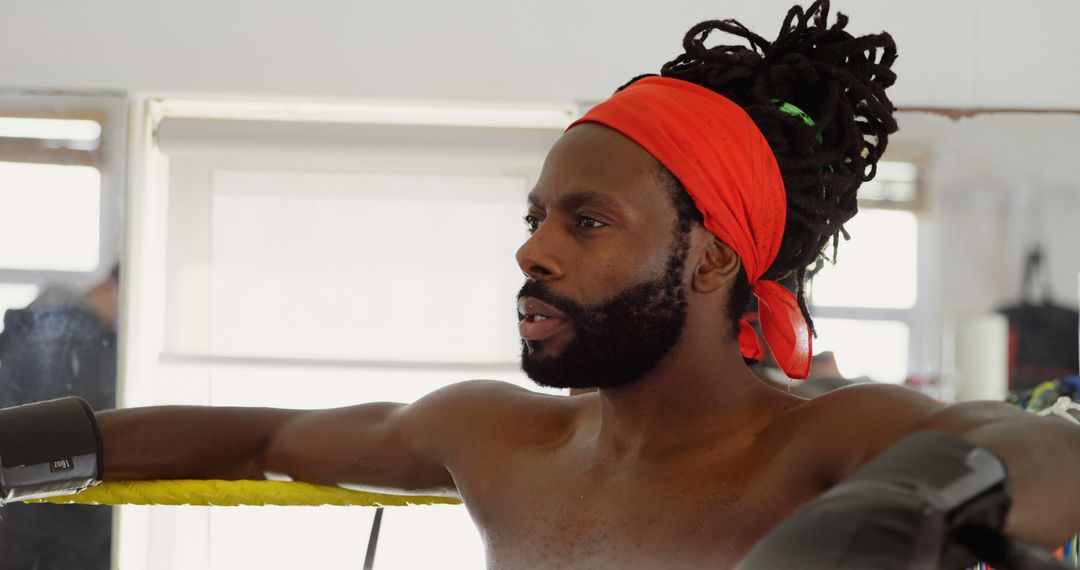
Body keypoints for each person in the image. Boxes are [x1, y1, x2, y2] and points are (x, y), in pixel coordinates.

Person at [7, 3, 1080, 568]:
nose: (534, 250)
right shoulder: (497, 438)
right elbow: (259, 438)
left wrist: (909, 502)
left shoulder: (821, 442)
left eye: (588, 221)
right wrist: (20, 450)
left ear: (709, 259)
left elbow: (1044, 441)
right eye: (534, 218)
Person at [0, 266, 119, 569]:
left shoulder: (22, 336)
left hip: (23, 533)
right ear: (115, 289)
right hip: (54, 542)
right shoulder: (87, 348)